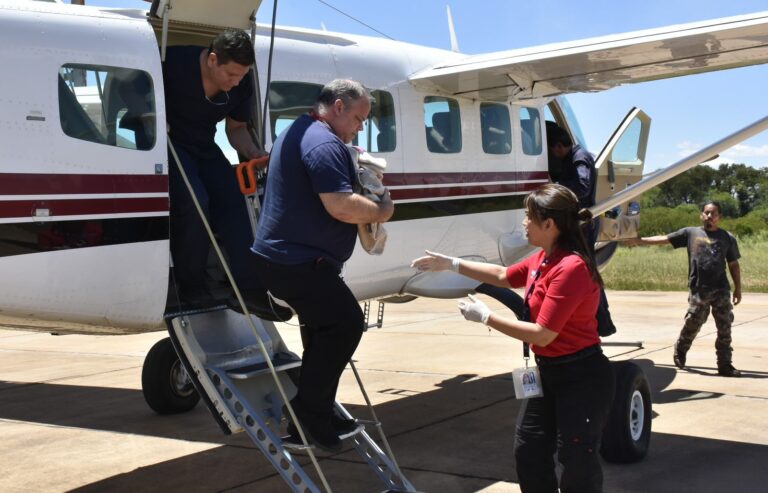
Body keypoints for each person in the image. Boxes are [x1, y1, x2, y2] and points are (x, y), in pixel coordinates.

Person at [411, 183, 615, 493]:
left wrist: (486, 317)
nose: (524, 223)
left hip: (581, 377)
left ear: (550, 225)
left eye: (529, 217)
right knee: (529, 451)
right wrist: (451, 263)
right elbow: (503, 275)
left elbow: (543, 334)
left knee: (577, 461)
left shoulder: (570, 267)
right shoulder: (544, 258)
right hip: (549, 371)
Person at [252, 79, 394, 451]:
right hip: (298, 263)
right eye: (360, 118)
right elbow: (341, 205)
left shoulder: (300, 131)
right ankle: (307, 412)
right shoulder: (324, 143)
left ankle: (314, 413)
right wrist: (383, 209)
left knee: (321, 333)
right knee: (346, 324)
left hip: (288, 260)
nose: (361, 127)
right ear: (338, 107)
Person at [164, 29, 281, 316]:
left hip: (204, 144)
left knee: (233, 199)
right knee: (195, 203)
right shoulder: (173, 64)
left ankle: (249, 289)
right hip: (170, 143)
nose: (236, 82)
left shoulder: (240, 84)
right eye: (231, 75)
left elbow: (236, 128)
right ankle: (190, 286)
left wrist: (255, 153)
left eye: (242, 76)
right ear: (213, 60)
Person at [627, 201, 742, 377]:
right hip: (698, 289)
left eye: (713, 213)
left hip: (721, 290)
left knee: (725, 327)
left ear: (719, 217)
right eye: (706, 213)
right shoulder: (691, 233)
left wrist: (738, 289)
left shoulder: (727, 237)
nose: (709, 216)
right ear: (701, 215)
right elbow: (665, 239)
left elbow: (733, 264)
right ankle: (681, 347)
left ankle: (725, 364)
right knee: (693, 322)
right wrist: (639, 241)